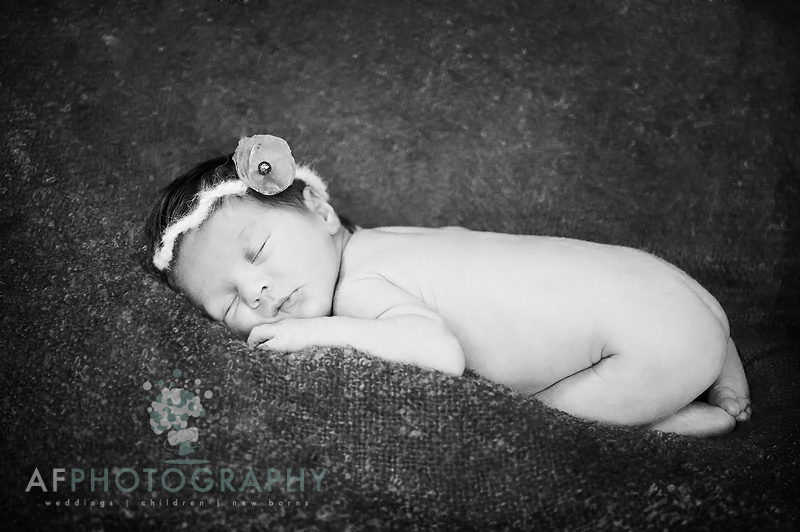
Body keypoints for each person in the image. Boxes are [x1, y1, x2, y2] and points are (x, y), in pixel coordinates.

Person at [145, 134, 751, 437]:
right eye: (228, 302)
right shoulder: (391, 239)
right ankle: (719, 365)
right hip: (671, 289)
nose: (255, 291)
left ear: (321, 211)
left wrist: (317, 332)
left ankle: (690, 414)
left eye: (257, 251)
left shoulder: (359, 287)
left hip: (646, 348)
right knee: (675, 318)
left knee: (537, 423)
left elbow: (439, 352)